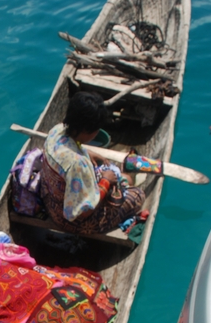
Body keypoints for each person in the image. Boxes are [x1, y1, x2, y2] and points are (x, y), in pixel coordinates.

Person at [41, 92, 145, 235]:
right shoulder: (78, 164)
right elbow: (84, 212)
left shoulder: (56, 130)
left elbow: (67, 149)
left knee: (124, 178)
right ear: (87, 130)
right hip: (71, 221)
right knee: (137, 194)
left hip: (50, 202)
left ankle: (122, 181)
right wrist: (105, 181)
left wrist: (86, 151)